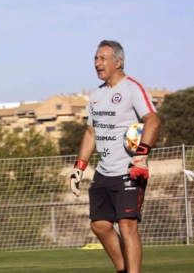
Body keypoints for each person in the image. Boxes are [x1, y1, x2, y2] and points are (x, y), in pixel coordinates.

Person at [69, 40, 161, 273]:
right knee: (99, 226)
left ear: (118, 62)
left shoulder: (132, 89)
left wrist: (141, 155)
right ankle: (124, 270)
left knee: (126, 226)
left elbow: (153, 120)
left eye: (103, 58)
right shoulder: (96, 95)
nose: (97, 63)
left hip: (129, 170)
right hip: (104, 172)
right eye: (96, 58)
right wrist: (79, 167)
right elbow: (91, 133)